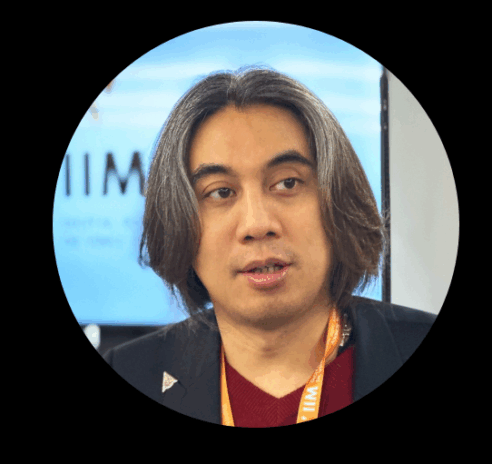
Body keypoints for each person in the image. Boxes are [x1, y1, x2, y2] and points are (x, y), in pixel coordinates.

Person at [102, 65, 437, 427]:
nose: (257, 224)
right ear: (178, 224)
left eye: (287, 183)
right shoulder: (130, 372)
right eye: (221, 192)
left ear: (339, 202)